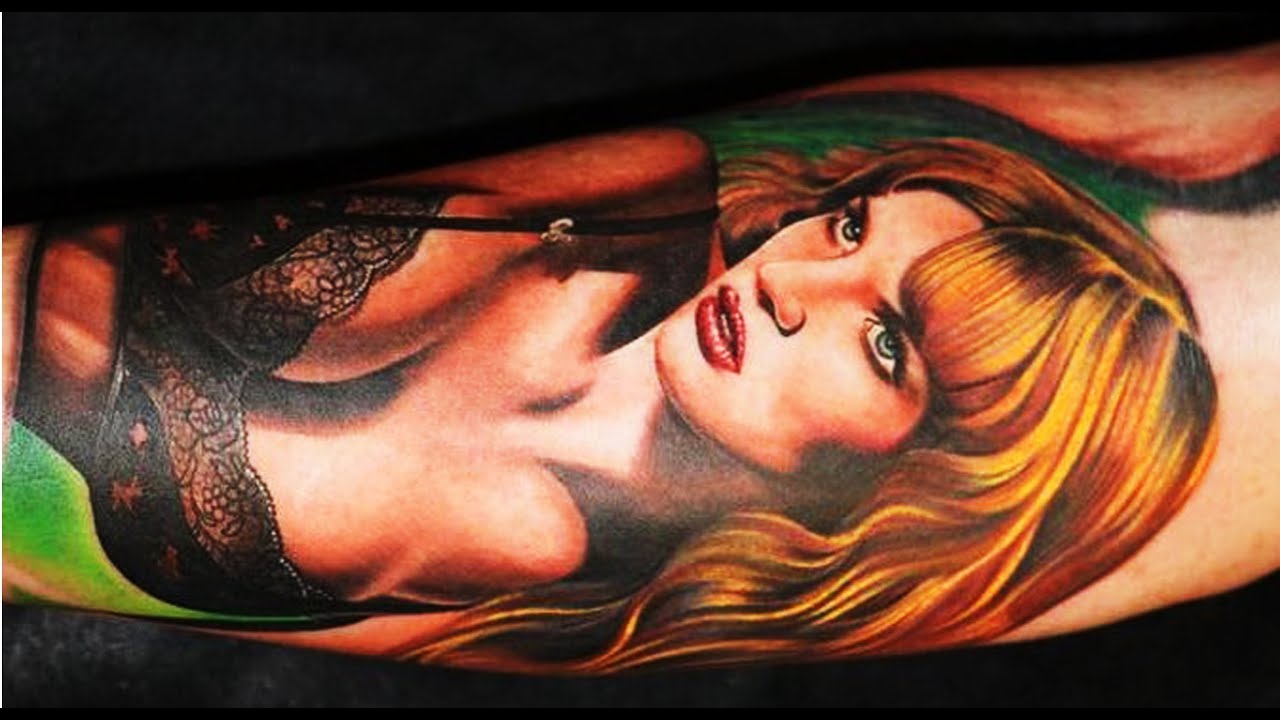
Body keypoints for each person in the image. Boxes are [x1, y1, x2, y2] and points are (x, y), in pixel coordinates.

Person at [4, 43, 1276, 675]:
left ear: (937, 478)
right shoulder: (637, 220)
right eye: (845, 227)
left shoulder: (549, 555)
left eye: (885, 343)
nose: (785, 281)